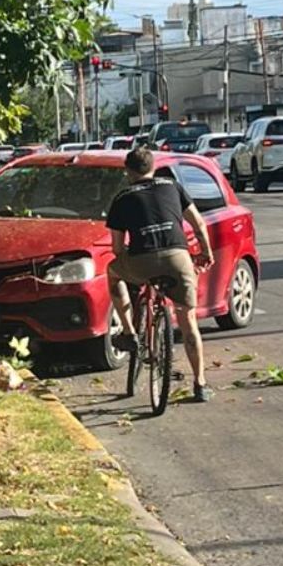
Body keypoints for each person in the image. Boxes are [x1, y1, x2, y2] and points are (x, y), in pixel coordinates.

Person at [107, 146, 216, 402]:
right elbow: (198, 223)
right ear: (154, 167)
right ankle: (200, 384)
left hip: (141, 260)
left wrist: (128, 253)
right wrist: (206, 252)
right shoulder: (172, 186)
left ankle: (128, 332)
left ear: (128, 172)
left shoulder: (122, 198)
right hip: (178, 258)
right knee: (188, 321)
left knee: (112, 272)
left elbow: (115, 248)